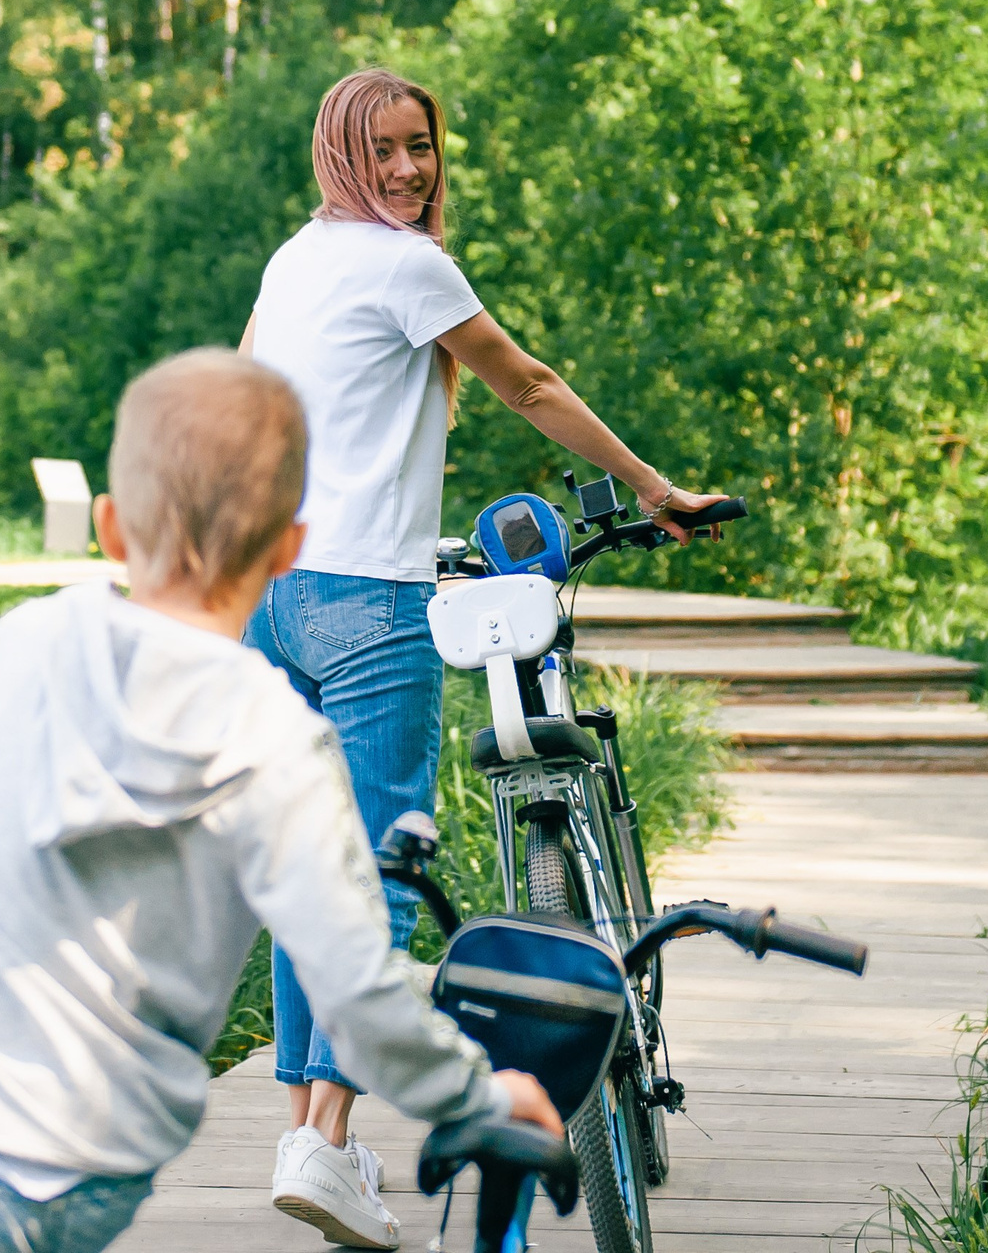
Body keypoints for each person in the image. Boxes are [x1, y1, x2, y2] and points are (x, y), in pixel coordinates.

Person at [0, 350, 561, 1253]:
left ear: (110, 528)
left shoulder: (27, 642)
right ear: (292, 550)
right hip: (93, 1159)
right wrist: (480, 1094)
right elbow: (355, 994)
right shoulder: (275, 742)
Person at [241, 67, 725, 1248]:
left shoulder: (296, 259)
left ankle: (311, 1133)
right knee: (380, 870)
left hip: (271, 594)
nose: (409, 171)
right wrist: (655, 493)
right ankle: (330, 1139)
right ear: (340, 156)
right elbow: (530, 383)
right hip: (363, 602)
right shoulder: (411, 267)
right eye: (385, 152)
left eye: (422, 148)